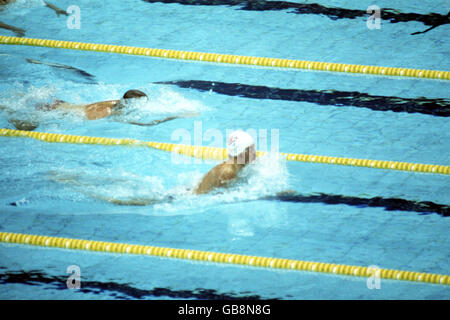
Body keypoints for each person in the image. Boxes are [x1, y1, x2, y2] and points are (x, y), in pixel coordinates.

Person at [3, 89, 198, 130]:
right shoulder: (109, 113)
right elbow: (147, 123)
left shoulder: (116, 102)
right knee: (25, 125)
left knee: (14, 104)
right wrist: (177, 115)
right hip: (57, 111)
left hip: (59, 103)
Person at [194, 130, 256, 194]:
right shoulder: (229, 173)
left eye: (254, 148)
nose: (254, 153)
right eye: (250, 150)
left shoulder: (238, 166)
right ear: (240, 153)